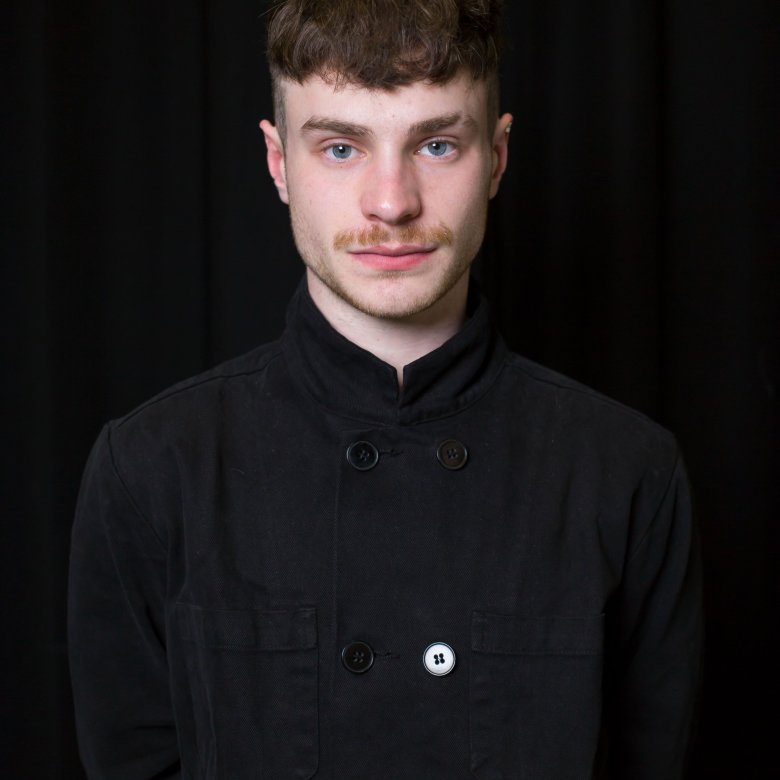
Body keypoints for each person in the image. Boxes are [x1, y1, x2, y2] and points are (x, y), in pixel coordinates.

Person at [68, 1, 702, 778]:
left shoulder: (629, 474)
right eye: (340, 148)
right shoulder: (150, 472)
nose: (392, 202)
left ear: (498, 158)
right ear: (278, 166)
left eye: (437, 144)